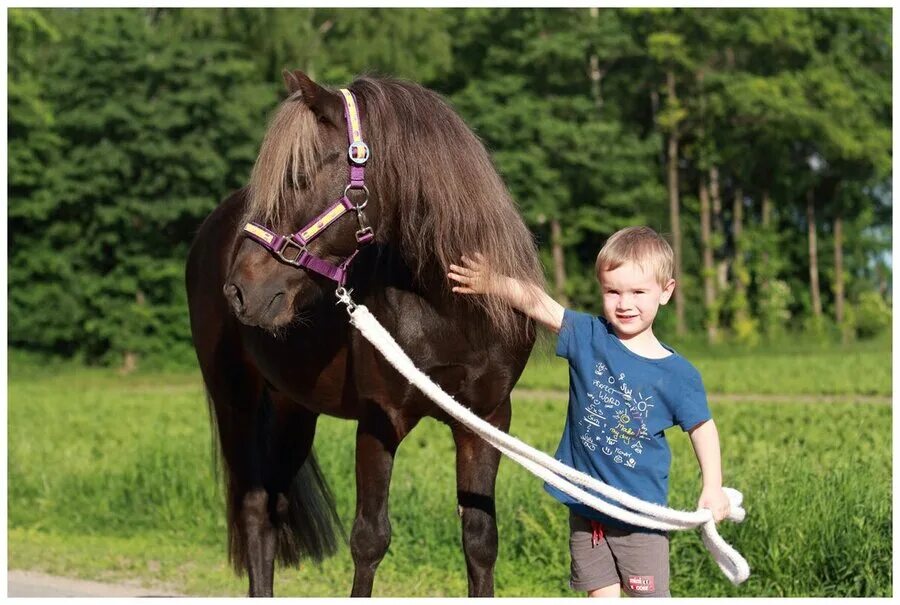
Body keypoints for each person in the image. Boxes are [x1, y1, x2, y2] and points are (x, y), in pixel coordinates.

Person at [447, 226, 730, 598]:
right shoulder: (589, 336)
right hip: (585, 509)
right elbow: (537, 302)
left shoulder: (678, 375)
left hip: (639, 520)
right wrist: (494, 281)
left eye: (637, 292)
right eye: (613, 291)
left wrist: (712, 485)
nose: (624, 303)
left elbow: (702, 428)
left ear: (666, 292)